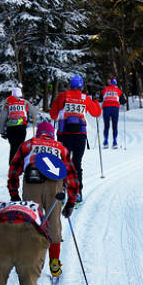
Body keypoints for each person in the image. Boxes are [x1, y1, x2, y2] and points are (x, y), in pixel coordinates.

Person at [7, 121, 79, 278]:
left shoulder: (28, 145)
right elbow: (72, 174)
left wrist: (14, 193)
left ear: (38, 133)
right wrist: (71, 201)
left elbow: (14, 169)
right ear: (52, 134)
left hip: (32, 182)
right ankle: (54, 264)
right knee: (53, 223)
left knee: (31, 222)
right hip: (55, 185)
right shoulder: (60, 147)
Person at [50, 74, 101, 203]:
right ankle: (77, 194)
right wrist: (95, 101)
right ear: (81, 86)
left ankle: (60, 194)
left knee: (62, 163)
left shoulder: (62, 96)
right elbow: (96, 113)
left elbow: (53, 114)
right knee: (77, 164)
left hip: (63, 135)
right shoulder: (85, 98)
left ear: (70, 85)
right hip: (80, 136)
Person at [0, 87, 39, 164]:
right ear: (20, 94)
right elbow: (35, 113)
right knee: (20, 146)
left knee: (13, 146)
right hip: (21, 127)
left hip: (10, 129)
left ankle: (12, 164)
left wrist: (1, 131)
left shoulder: (8, 103)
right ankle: (18, 165)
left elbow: (2, 118)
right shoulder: (25, 102)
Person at [100, 77, 126, 149]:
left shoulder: (104, 89)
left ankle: (105, 141)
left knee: (106, 125)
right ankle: (114, 142)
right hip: (115, 108)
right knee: (115, 125)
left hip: (106, 108)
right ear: (115, 83)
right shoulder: (118, 90)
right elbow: (123, 101)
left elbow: (100, 98)